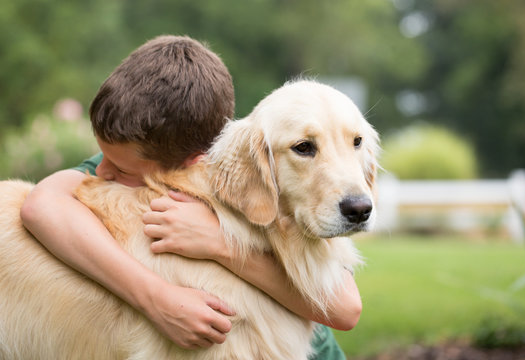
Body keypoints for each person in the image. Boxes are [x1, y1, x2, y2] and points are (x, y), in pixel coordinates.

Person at [20, 35, 361, 358]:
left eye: (121, 170)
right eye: (103, 156)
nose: (103, 172)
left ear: (191, 164)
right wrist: (158, 299)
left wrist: (220, 245)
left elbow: (346, 309)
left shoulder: (246, 172)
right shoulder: (138, 153)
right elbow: (41, 205)